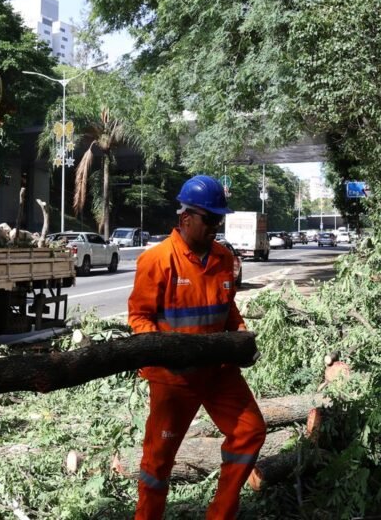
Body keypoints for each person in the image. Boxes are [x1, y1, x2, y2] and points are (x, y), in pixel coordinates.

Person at [127, 175, 266, 520]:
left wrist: (240, 335)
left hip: (218, 371)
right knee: (157, 462)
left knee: (250, 430)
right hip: (174, 380)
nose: (215, 228)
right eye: (210, 219)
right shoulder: (157, 260)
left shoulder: (221, 257)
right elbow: (139, 319)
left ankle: (219, 515)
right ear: (185, 217)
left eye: (219, 220)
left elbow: (228, 308)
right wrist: (162, 353)